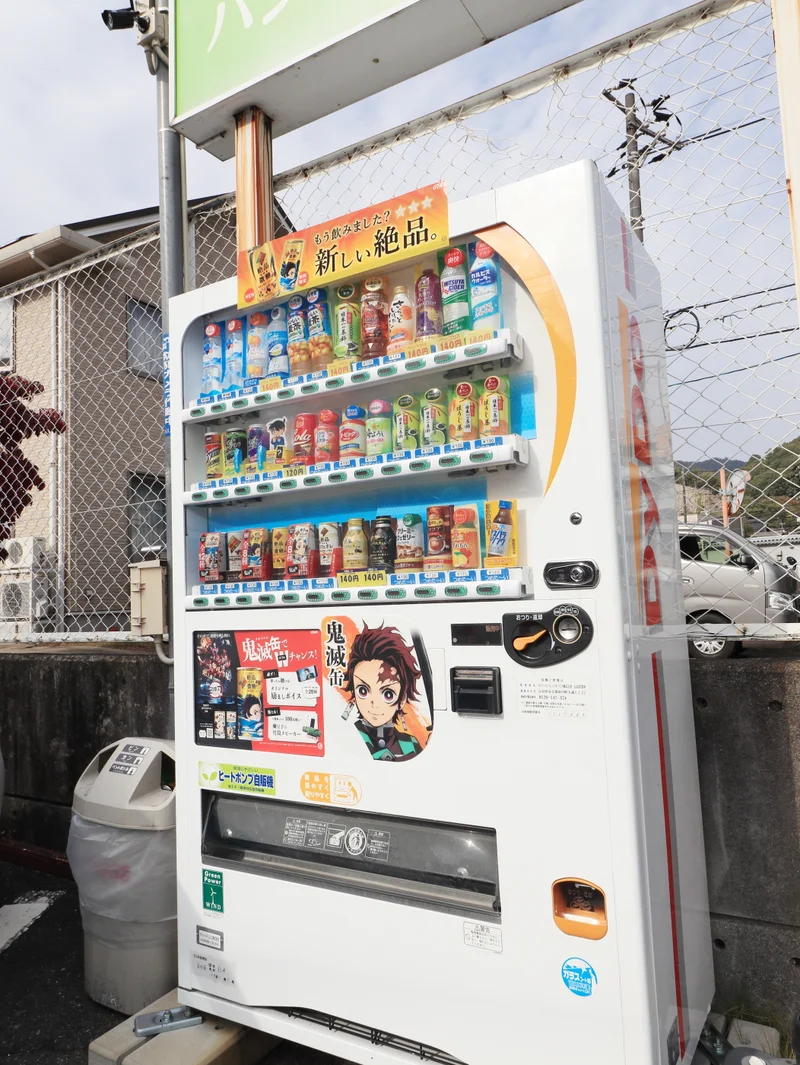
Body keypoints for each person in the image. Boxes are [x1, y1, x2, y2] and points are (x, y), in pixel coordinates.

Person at [343, 623, 432, 761]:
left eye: (387, 694)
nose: (374, 703)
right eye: (363, 690)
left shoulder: (411, 744)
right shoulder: (348, 735)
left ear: (402, 700)